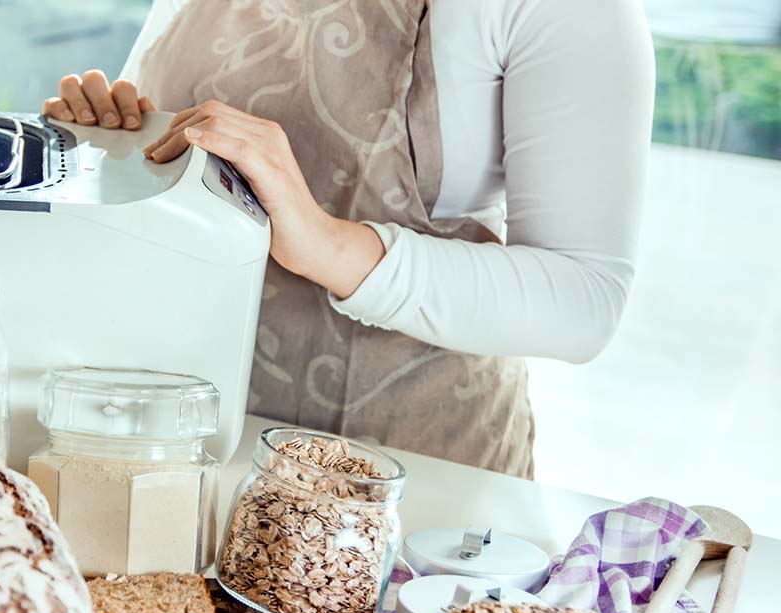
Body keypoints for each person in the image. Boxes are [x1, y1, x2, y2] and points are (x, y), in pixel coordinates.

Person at [42, 0, 655, 478]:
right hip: (174, 454)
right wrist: (111, 143)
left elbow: (585, 299)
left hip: (408, 492)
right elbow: (175, 177)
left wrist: (327, 245)